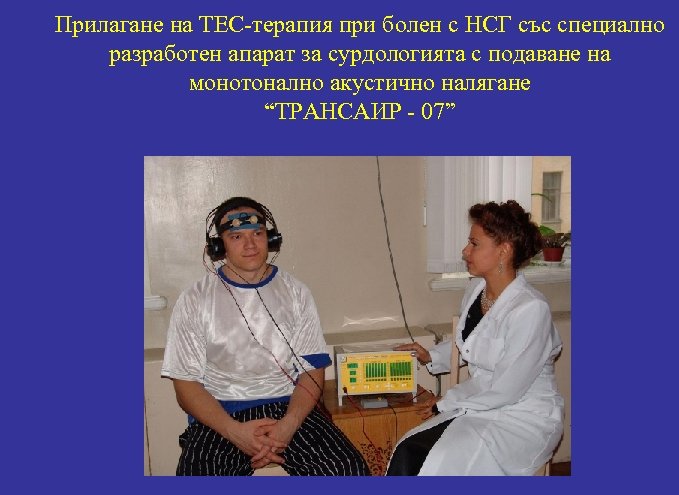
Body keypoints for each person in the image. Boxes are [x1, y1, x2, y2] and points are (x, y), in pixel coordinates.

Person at [161, 196, 369, 476]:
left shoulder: (296, 293)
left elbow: (312, 371)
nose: (250, 244)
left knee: (346, 469)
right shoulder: (195, 299)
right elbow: (186, 386)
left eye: (257, 234)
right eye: (237, 236)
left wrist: (288, 426)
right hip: (222, 414)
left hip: (289, 406)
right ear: (219, 246)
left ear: (270, 239)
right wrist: (235, 432)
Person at [387, 200, 564, 476]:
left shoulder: (530, 310)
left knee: (440, 460)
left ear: (504, 250)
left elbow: (507, 390)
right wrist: (431, 355)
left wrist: (445, 402)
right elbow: (474, 340)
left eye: (474, 243)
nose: (465, 251)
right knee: (407, 449)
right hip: (480, 405)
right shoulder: (475, 290)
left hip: (523, 418)